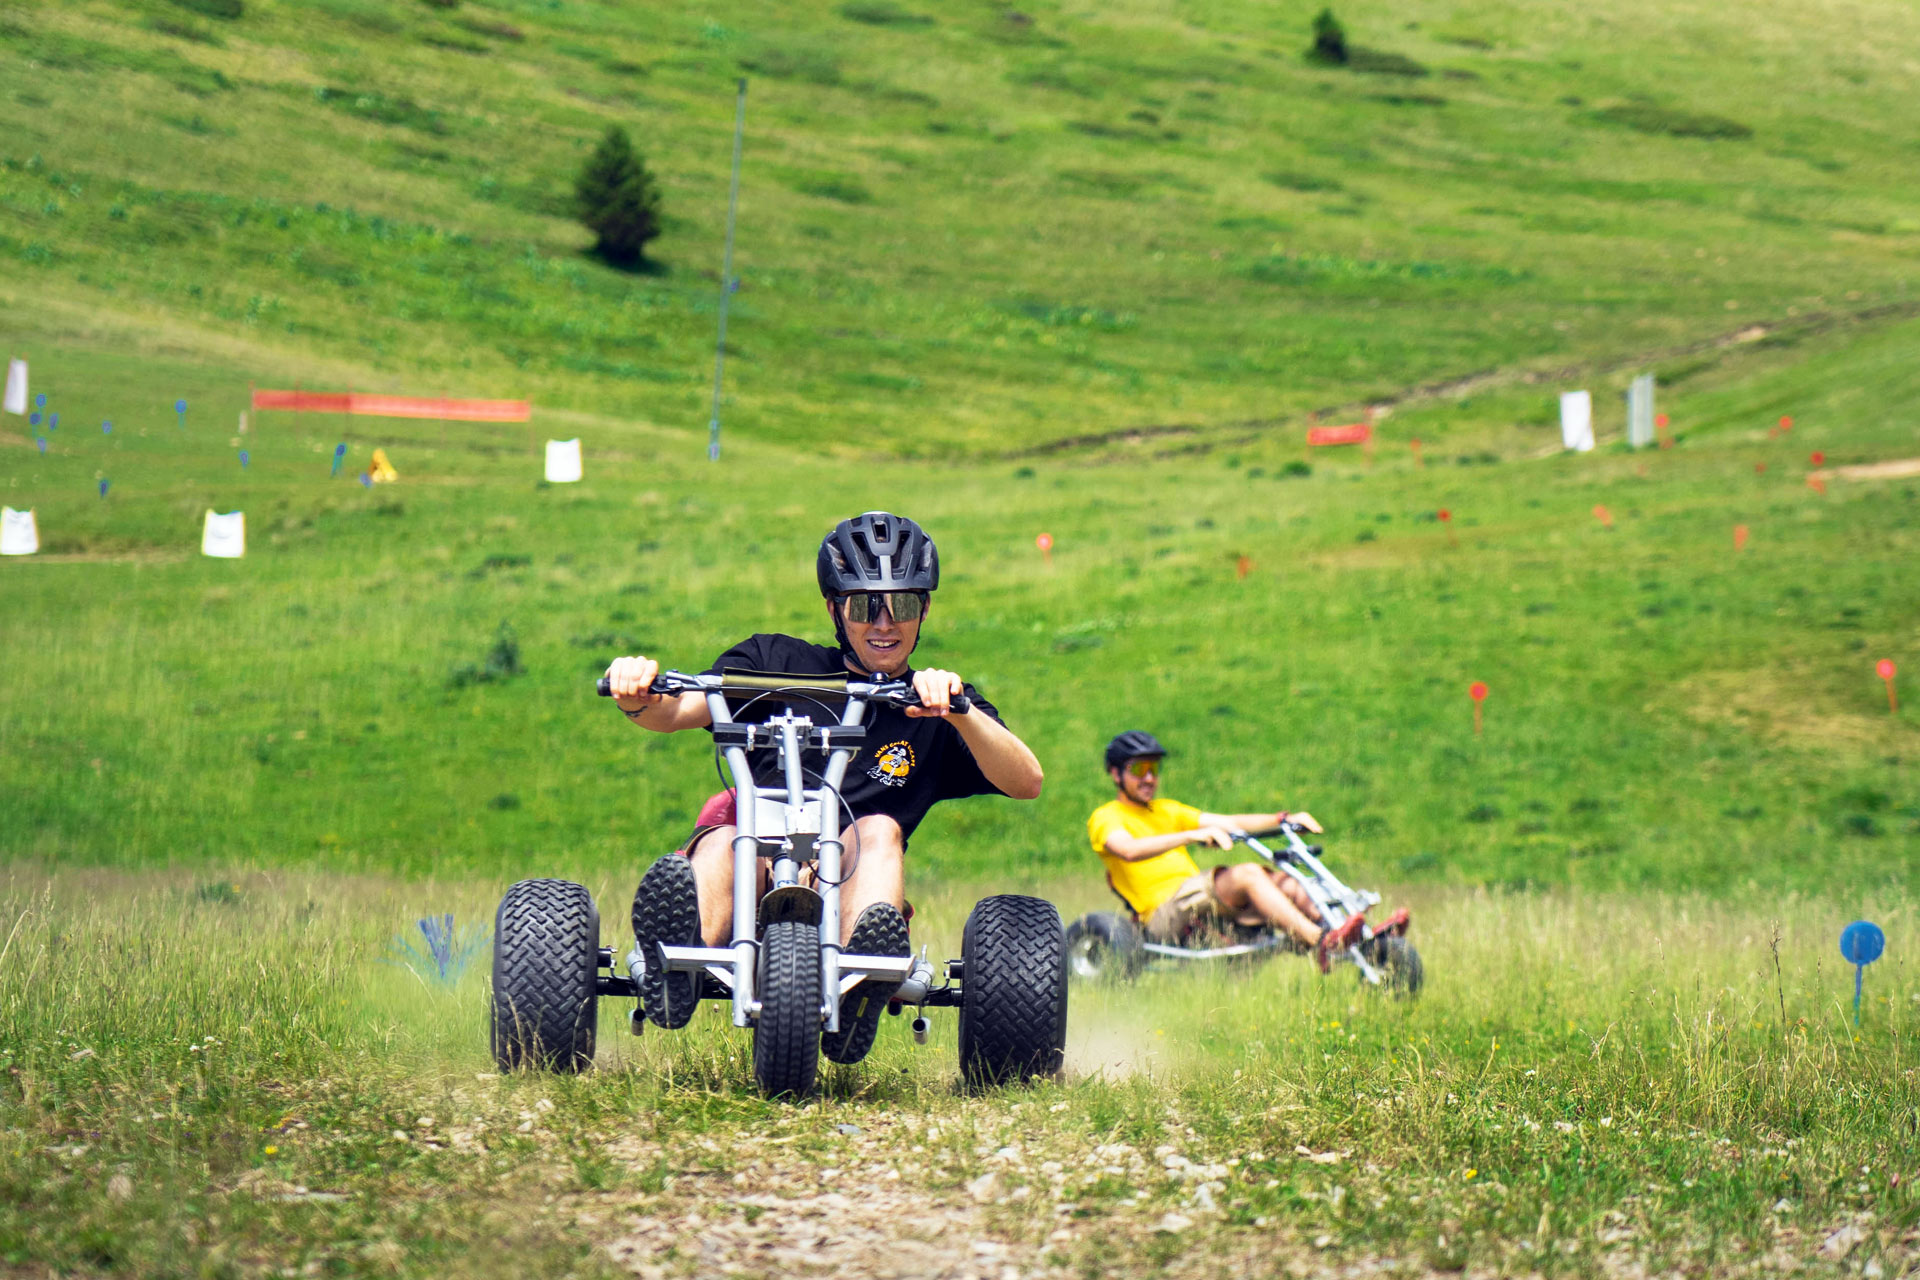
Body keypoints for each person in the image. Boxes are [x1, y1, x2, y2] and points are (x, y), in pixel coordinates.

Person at [604, 511, 1044, 1063]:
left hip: (852, 885)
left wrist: (961, 715)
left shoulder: (934, 703)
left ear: (924, 609)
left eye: (903, 604)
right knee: (727, 835)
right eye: (865, 606)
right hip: (752, 862)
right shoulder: (773, 662)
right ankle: (679, 965)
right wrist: (636, 692)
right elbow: (677, 710)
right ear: (835, 608)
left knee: (881, 828)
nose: (885, 622)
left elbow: (1027, 781)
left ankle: (860, 986)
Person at [1086, 731, 1362, 970]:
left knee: (1283, 882)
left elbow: (1230, 823)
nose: (1148, 778)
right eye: (1138, 770)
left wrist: (1283, 820)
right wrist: (1191, 836)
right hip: (1163, 914)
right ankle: (1320, 940)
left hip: (1199, 901)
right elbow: (1128, 850)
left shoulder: (1167, 810)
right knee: (1248, 875)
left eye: (1154, 770)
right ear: (1116, 773)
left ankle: (1354, 938)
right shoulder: (1108, 816)